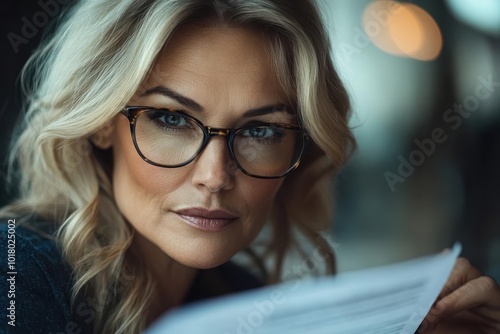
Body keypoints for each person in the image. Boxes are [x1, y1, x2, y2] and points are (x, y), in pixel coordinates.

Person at [0, 0, 498, 333]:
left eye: (261, 131)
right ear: (101, 123)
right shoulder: (17, 273)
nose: (215, 176)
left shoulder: (245, 303)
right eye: (172, 119)